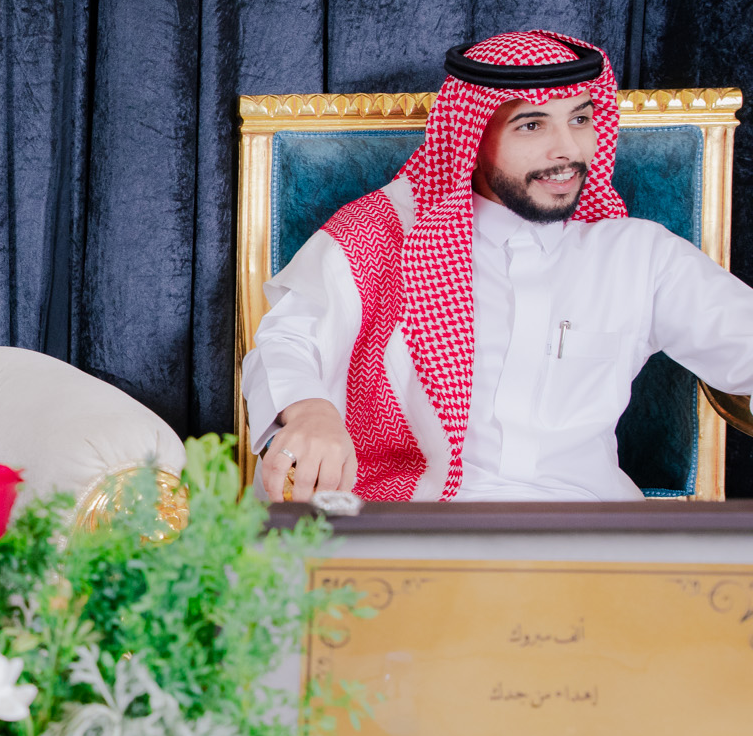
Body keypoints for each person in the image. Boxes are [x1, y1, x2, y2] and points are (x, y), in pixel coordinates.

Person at [242, 29, 753, 503]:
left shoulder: (639, 255)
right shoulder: (382, 233)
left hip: (589, 532)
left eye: (580, 119)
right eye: (532, 125)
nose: (568, 150)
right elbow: (287, 340)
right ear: (472, 134)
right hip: (418, 526)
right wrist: (309, 410)